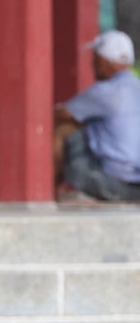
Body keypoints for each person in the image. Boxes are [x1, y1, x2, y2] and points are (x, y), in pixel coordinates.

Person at [54, 30, 140, 202]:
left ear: (104, 61)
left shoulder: (104, 92)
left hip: (115, 184)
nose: (92, 65)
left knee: (65, 129)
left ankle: (47, 193)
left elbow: (61, 114)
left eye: (94, 59)